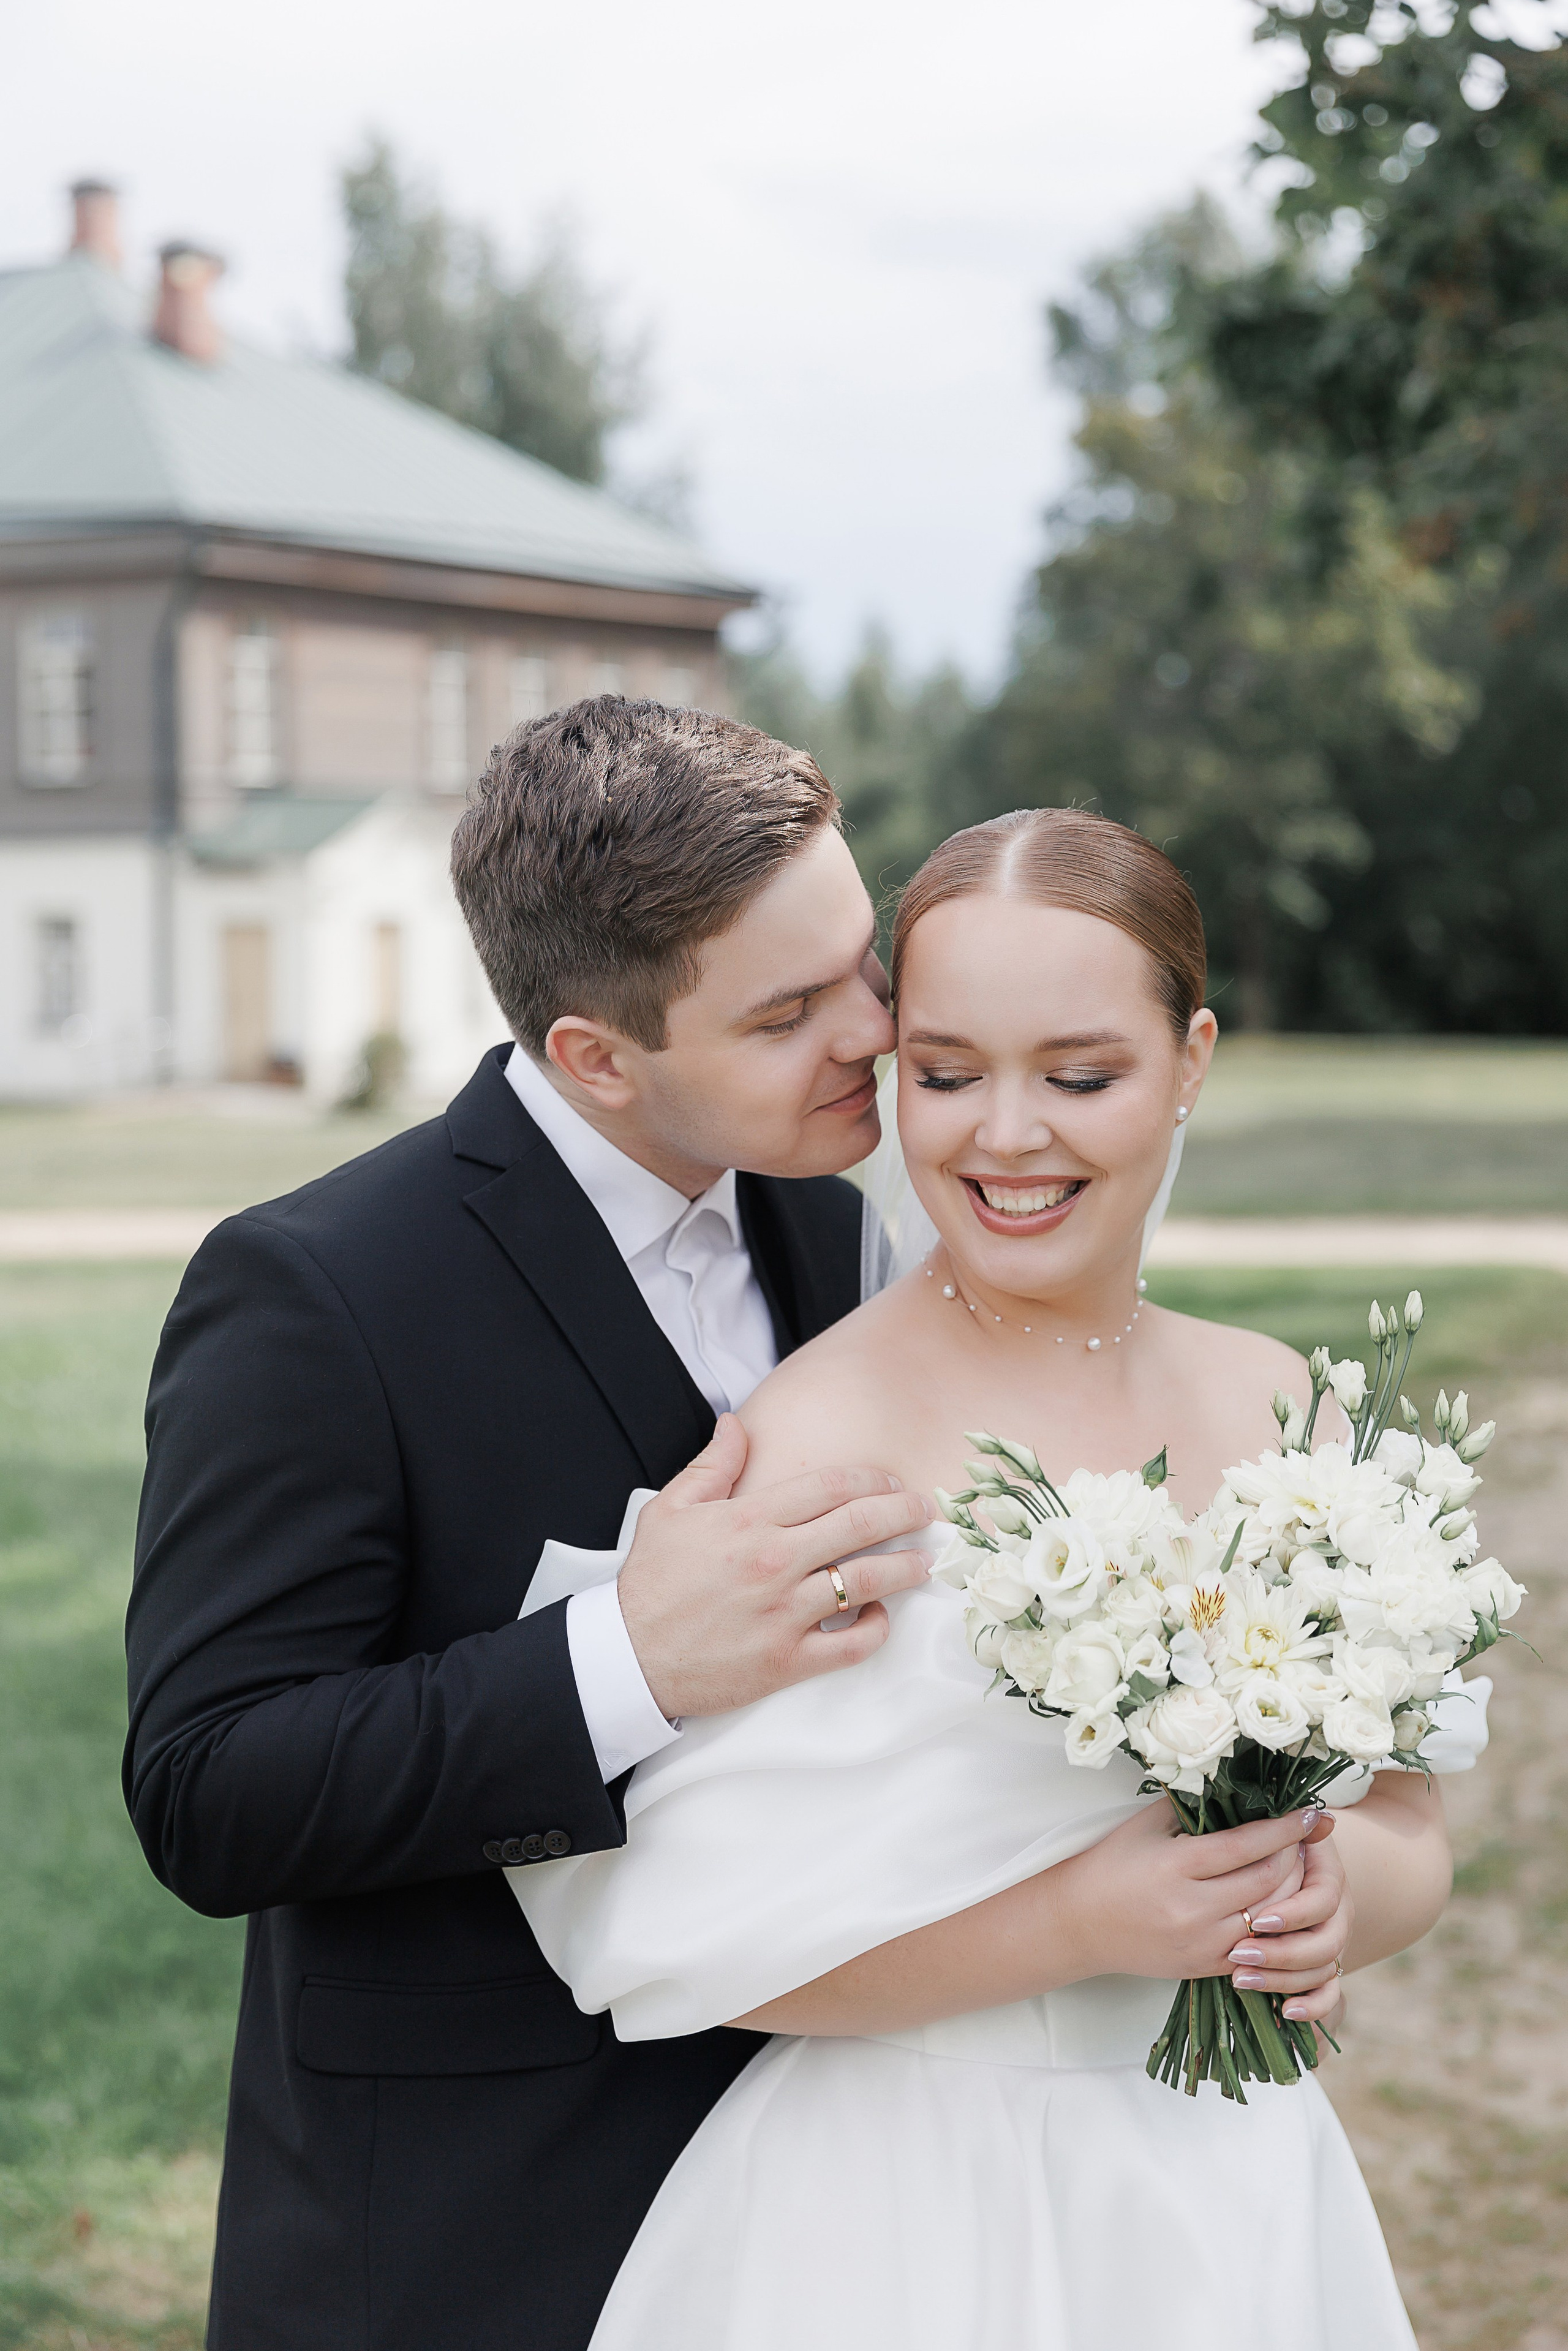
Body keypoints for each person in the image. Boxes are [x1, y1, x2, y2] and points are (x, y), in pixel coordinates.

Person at [508, 809, 1467, 2351]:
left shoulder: (1288, 1407)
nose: (1002, 1136)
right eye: (943, 1076)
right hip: (906, 2208)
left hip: (1223, 2196)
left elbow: (1411, 1821)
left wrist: (1336, 1896)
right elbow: (710, 1944)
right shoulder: (811, 1445)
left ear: (1190, 1062)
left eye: (1077, 1076)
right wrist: (1082, 1925)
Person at [124, 698, 936, 2351]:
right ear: (595, 1057)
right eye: (790, 1012)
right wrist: (624, 1662)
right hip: (470, 2225)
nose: (872, 1033)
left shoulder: (840, 1224)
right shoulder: (317, 1292)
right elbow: (210, 1789)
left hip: (829, 2174)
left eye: (868, 961)